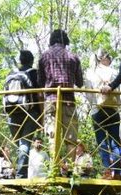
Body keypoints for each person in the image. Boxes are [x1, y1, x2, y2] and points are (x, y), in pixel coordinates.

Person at [37, 29, 83, 165]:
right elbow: (80, 83)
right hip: (68, 100)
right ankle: (69, 170)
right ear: (65, 40)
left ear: (51, 40)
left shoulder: (43, 57)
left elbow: (40, 82)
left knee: (52, 136)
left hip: (51, 100)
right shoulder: (73, 57)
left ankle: (54, 168)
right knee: (71, 137)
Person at [86, 49, 121, 179]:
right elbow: (119, 89)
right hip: (112, 109)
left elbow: (88, 93)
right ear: (104, 58)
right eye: (109, 57)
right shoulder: (114, 72)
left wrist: (94, 105)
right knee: (115, 141)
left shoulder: (91, 73)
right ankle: (117, 172)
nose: (110, 60)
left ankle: (106, 171)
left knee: (102, 141)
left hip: (98, 110)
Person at [6, 50, 41, 178]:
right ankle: (21, 175)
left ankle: (20, 172)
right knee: (25, 143)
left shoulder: (11, 73)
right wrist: (41, 114)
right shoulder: (34, 73)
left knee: (20, 144)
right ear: (32, 61)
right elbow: (40, 94)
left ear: (20, 60)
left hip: (12, 112)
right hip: (30, 112)